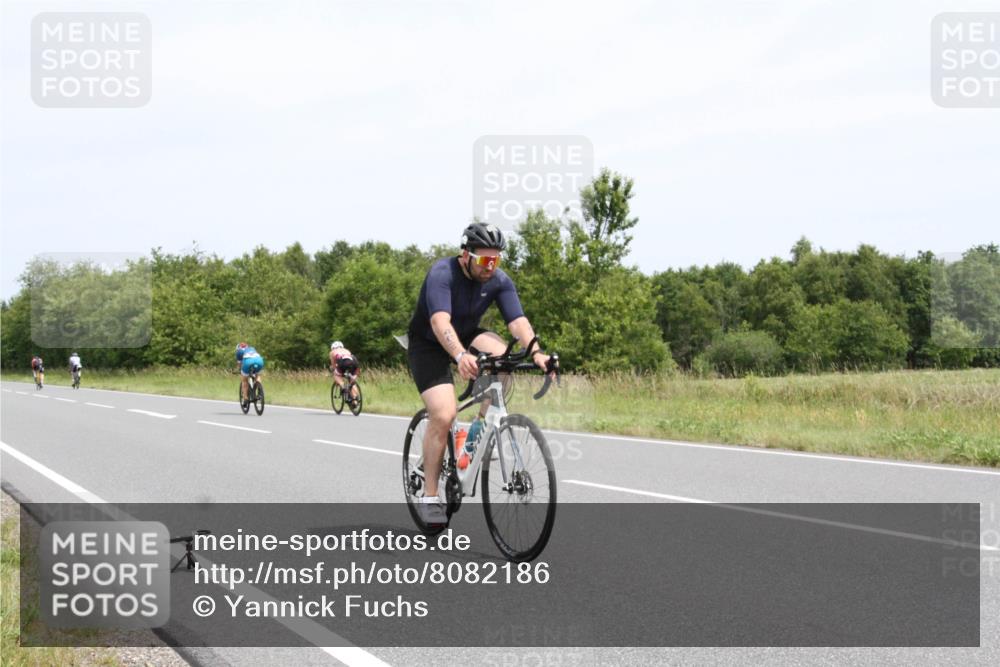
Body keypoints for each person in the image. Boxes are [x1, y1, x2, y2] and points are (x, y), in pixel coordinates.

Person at [406, 222, 554, 523]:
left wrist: (537, 353)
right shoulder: (442, 274)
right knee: (445, 415)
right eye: (485, 260)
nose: (491, 266)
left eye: (496, 260)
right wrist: (460, 355)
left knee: (504, 359)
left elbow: (518, 322)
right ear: (466, 255)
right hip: (429, 344)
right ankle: (430, 496)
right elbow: (440, 323)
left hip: (468, 332)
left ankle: (474, 435)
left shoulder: (499, 280)